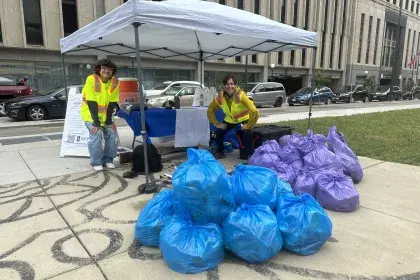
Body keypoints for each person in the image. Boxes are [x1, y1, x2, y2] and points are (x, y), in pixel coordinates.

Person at [207, 74, 259, 159]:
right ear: (224, 85)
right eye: (227, 84)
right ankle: (220, 152)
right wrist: (216, 123)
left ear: (235, 85)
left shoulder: (241, 95)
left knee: (246, 132)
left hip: (244, 119)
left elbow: (254, 111)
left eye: (232, 84)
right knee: (219, 130)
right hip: (230, 120)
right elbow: (210, 109)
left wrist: (249, 125)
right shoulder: (220, 96)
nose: (229, 86)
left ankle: (249, 154)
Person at [81, 59, 120, 171]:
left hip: (105, 116)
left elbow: (112, 102)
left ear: (113, 71)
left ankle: (108, 160)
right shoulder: (91, 79)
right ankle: (96, 162)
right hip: (90, 115)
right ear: (99, 69)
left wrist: (108, 120)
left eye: (110, 69)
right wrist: (96, 122)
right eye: (104, 68)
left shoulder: (115, 82)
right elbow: (91, 101)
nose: (106, 71)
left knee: (112, 134)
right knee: (96, 134)